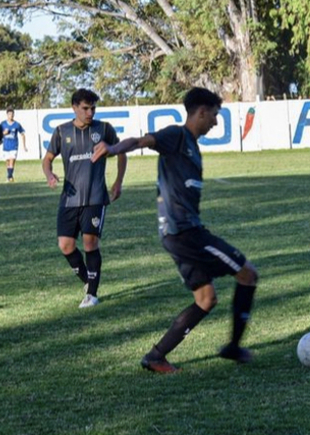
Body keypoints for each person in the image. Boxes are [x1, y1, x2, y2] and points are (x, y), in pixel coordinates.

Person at [91, 87, 258, 373]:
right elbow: (140, 140)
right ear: (201, 112)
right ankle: (233, 346)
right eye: (214, 116)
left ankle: (155, 357)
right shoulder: (176, 135)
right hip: (185, 233)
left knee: (206, 299)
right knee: (248, 274)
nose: (216, 123)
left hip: (178, 234)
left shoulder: (192, 145)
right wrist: (113, 148)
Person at [42, 89, 127, 308]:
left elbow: (121, 152)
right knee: (65, 246)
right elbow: (47, 159)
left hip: (95, 196)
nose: (90, 113)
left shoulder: (104, 128)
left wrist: (118, 182)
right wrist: (49, 174)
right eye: (85, 108)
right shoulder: (61, 132)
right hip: (69, 199)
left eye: (93, 108)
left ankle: (91, 294)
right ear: (74, 107)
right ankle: (88, 282)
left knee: (90, 243)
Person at [2, 108, 27, 182]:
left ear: (14, 115)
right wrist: (4, 133)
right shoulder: (3, 124)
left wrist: (24, 146)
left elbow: (23, 134)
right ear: (7, 115)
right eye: (9, 114)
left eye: (12, 114)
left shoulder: (17, 124)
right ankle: (10, 177)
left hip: (14, 145)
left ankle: (9, 177)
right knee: (7, 162)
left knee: (12, 161)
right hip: (6, 146)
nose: (11, 116)